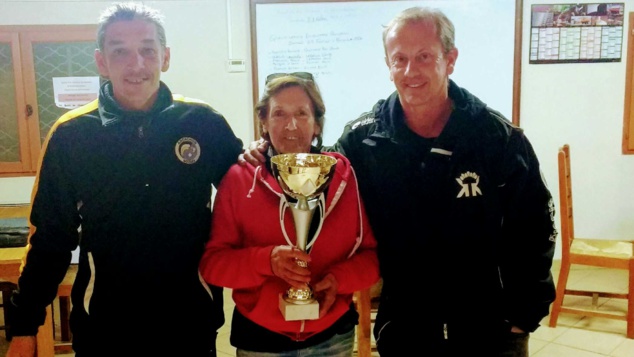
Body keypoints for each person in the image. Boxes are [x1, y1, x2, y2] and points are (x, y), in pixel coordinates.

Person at [241, 7, 557, 357]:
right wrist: (267, 150)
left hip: (490, 329)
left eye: (424, 57)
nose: (411, 71)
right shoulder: (363, 141)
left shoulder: (497, 138)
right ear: (388, 65)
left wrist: (523, 315)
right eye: (400, 59)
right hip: (407, 328)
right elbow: (318, 173)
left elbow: (536, 226)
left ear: (450, 59)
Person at [7, 2, 243, 356]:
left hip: (189, 324)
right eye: (121, 52)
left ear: (165, 57)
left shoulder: (203, 123)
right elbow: (50, 241)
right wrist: (25, 328)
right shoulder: (71, 135)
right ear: (102, 61)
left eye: (148, 50)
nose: (137, 65)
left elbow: (246, 202)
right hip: (105, 329)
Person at [199, 73, 380, 356]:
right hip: (261, 341)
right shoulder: (239, 179)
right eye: (279, 113)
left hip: (333, 338)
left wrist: (338, 280)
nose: (291, 125)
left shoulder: (345, 178)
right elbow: (213, 264)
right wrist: (265, 261)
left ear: (317, 123)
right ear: (264, 122)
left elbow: (370, 257)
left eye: (302, 113)